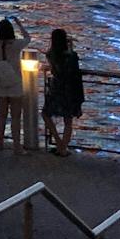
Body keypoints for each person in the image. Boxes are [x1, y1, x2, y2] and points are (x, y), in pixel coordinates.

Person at [0, 15, 30, 150]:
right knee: (16, 117)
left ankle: (0, 143)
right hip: (15, 84)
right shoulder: (16, 45)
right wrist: (19, 23)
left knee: (1, 115)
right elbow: (28, 38)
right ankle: (17, 145)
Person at [41, 27, 85, 155]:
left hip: (56, 88)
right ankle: (63, 148)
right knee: (68, 120)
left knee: (46, 114)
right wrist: (70, 47)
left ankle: (59, 142)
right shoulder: (71, 56)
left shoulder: (51, 55)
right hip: (70, 89)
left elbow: (53, 58)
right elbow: (73, 68)